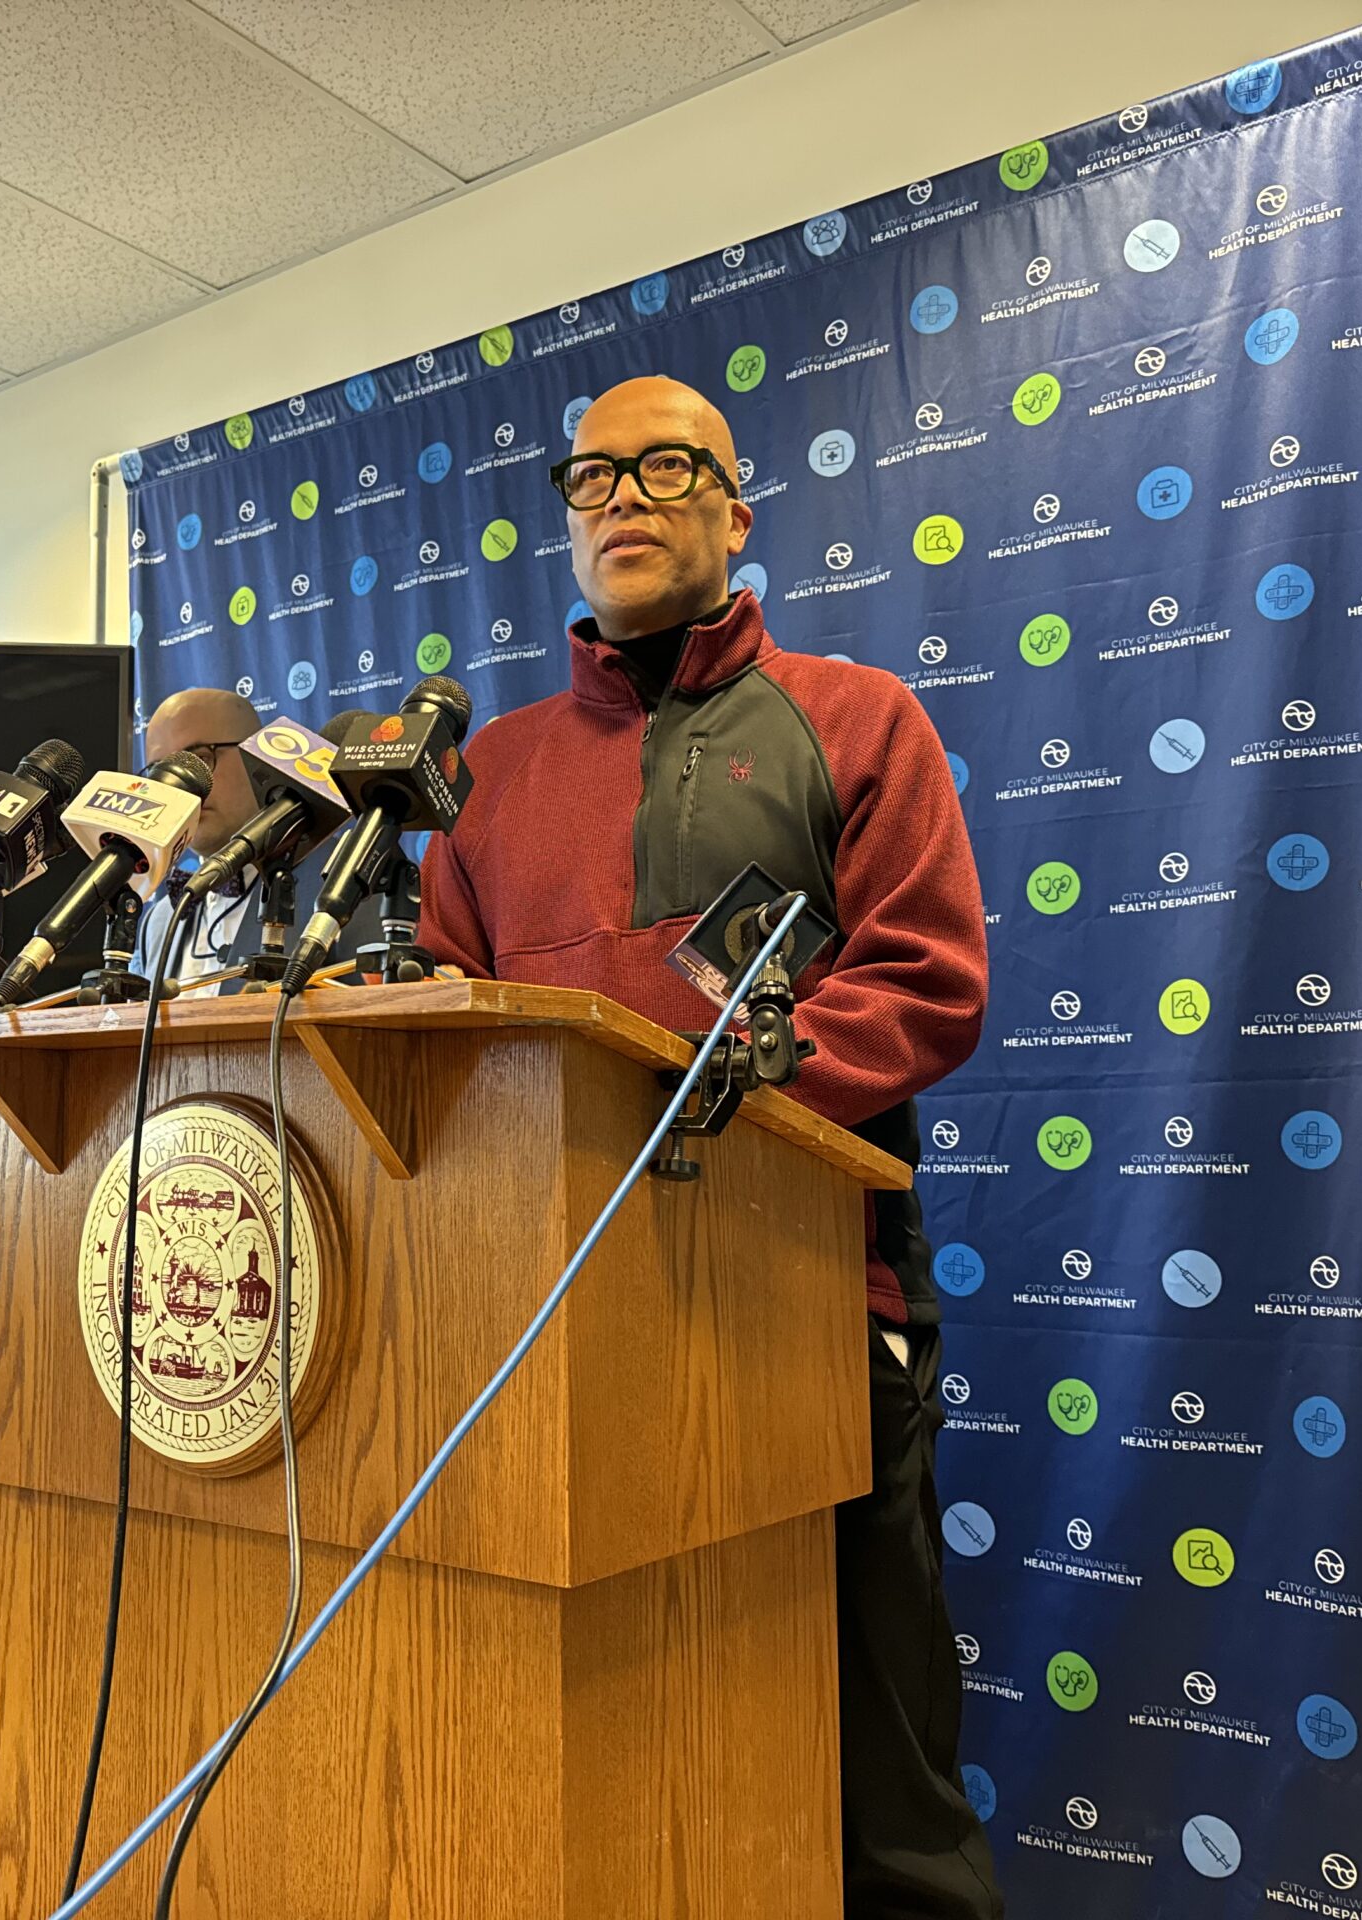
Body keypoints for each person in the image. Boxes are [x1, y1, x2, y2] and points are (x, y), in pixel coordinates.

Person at [417, 375, 1000, 1917]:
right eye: (591, 475)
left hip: (809, 1305)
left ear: (735, 513)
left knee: (885, 1787)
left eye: (666, 466)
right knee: (603, 1757)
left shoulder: (857, 714)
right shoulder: (490, 773)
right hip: (545, 1326)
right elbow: (446, 1020)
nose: (623, 495)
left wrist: (718, 1075)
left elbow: (926, 984)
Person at [134, 686, 279, 987]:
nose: (181, 787)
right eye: (161, 772)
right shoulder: (160, 920)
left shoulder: (332, 891)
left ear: (258, 759)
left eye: (199, 759)